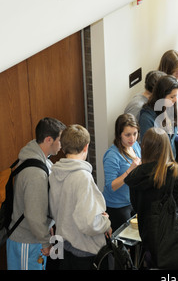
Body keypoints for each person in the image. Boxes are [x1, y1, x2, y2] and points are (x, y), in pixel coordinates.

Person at [125, 127, 178, 269]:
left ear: (144, 147)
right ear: (166, 147)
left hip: (151, 241)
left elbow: (137, 208)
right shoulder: (175, 171)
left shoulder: (135, 177)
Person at [49, 124, 112, 270]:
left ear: (63, 148)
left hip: (64, 246)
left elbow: (54, 211)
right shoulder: (83, 177)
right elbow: (88, 223)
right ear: (86, 147)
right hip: (84, 251)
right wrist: (105, 222)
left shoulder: (54, 174)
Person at [7, 117, 66, 270]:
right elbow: (33, 215)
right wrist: (46, 242)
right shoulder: (36, 174)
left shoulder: (41, 158)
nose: (62, 145)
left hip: (34, 237)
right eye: (59, 140)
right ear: (48, 140)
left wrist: (48, 225)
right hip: (27, 241)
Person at [102, 113, 141, 231]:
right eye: (127, 135)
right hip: (117, 206)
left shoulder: (135, 146)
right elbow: (111, 186)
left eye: (135, 133)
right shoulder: (112, 155)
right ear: (119, 135)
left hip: (133, 201)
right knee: (123, 245)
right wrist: (129, 170)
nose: (132, 138)